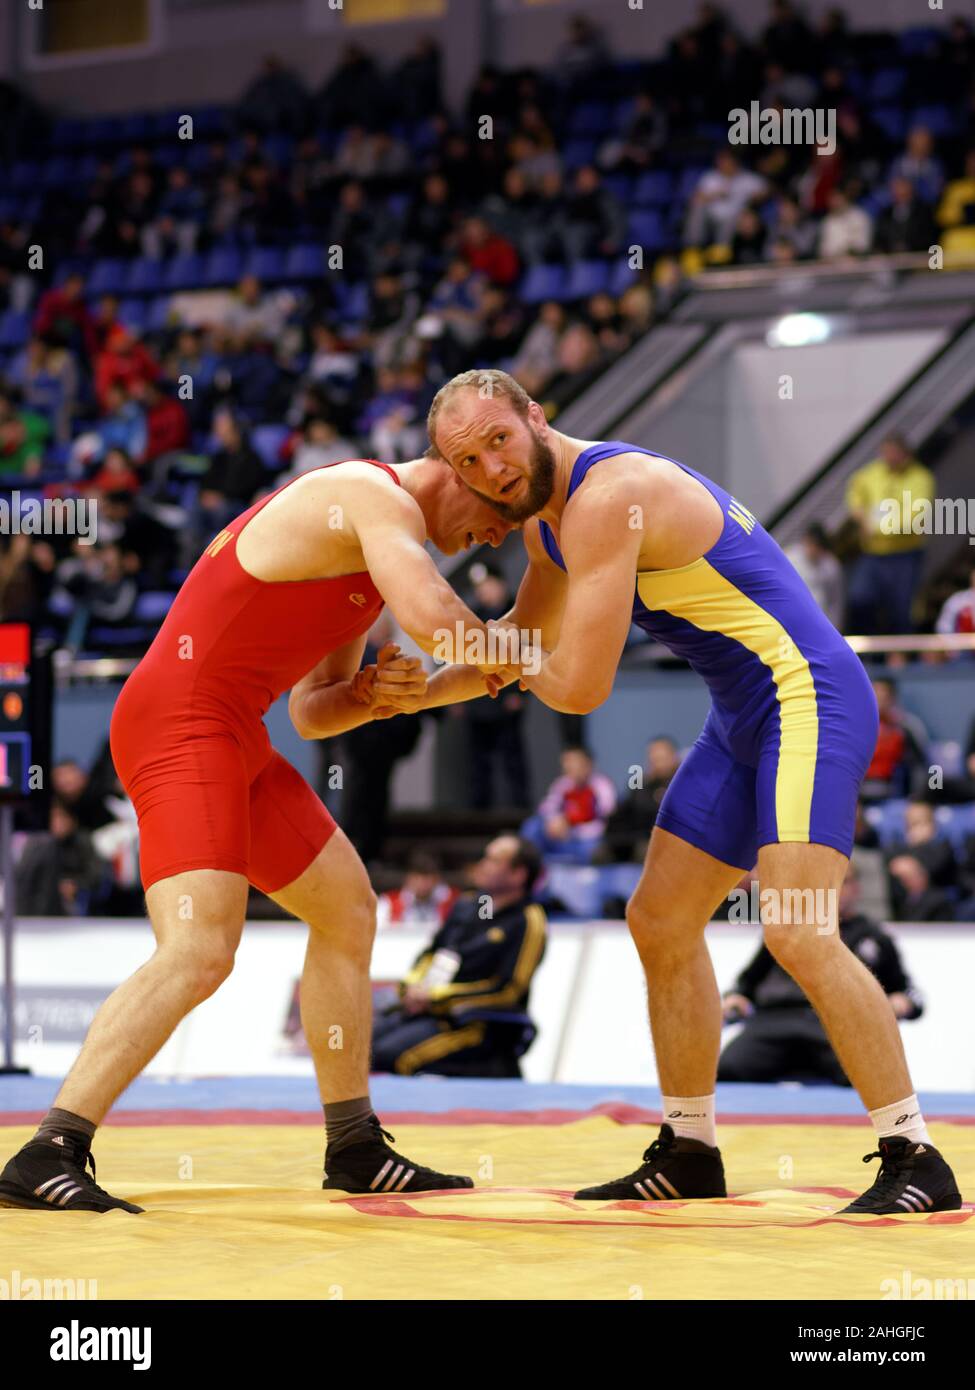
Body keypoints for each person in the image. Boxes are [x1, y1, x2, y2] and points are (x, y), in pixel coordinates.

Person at [420, 366, 961, 1215]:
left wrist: (491, 658)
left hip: (806, 693)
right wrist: (410, 690)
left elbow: (580, 687)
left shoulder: (609, 494)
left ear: (535, 416)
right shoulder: (548, 531)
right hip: (744, 715)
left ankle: (915, 1155)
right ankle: (688, 1148)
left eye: (497, 439)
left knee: (796, 929)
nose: (491, 469)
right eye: (468, 460)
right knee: (659, 919)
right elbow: (519, 641)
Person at [0, 452, 530, 1213]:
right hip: (179, 722)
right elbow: (440, 624)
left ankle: (353, 1145)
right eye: (498, 515)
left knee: (348, 908)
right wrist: (526, 646)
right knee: (198, 950)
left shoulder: (383, 557)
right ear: (461, 465)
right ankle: (49, 1148)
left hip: (234, 732)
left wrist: (381, 695)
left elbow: (315, 709)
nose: (491, 538)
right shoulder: (366, 496)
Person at [719, 868, 922, 1085]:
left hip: (841, 1028)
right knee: (726, 1069)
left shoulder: (874, 937)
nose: (834, 890)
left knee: (879, 1080)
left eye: (843, 882)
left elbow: (909, 993)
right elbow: (746, 983)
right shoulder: (788, 929)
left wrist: (902, 1002)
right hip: (776, 1022)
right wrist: (735, 998)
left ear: (856, 889)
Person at [371, 835, 546, 1076]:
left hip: (477, 1024)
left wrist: (438, 997)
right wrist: (411, 986)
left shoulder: (528, 919)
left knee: (392, 1056)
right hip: (432, 1013)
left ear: (518, 874)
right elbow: (432, 953)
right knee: (363, 1045)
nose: (483, 864)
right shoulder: (470, 904)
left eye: (494, 860)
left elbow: (509, 989)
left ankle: (498, 1068)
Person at [845, 435, 935, 635]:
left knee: (902, 608)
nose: (888, 457)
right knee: (860, 599)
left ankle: (901, 659)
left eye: (893, 453)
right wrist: (861, 516)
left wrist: (878, 526)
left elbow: (916, 514)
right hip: (873, 553)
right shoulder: (870, 474)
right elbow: (855, 498)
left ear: (905, 453)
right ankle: (868, 655)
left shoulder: (920, 477)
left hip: (905, 554)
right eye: (885, 452)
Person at [522, 746, 616, 864]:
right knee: (532, 826)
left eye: (574, 761)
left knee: (595, 850)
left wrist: (570, 825)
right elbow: (546, 808)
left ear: (588, 764)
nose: (569, 766)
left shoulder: (602, 785)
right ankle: (529, 866)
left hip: (585, 840)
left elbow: (606, 817)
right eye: (566, 762)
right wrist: (554, 821)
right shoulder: (562, 784)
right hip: (560, 836)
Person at [377, 851, 458, 932]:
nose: (422, 884)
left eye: (427, 878)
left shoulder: (452, 902)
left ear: (437, 878)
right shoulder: (388, 903)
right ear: (408, 878)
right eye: (417, 878)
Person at [783, 522, 843, 630]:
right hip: (795, 619)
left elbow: (836, 601)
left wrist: (834, 628)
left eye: (817, 546)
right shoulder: (790, 559)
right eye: (811, 544)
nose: (813, 549)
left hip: (822, 620)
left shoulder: (830, 565)